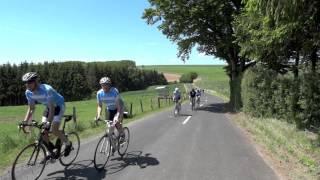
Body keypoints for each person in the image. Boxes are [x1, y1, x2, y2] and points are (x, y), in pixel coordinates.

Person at [22, 72, 72, 158]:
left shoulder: (47, 90)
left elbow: (52, 109)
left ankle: (68, 143)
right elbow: (31, 108)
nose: (27, 85)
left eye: (30, 82)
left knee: (54, 129)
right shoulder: (28, 93)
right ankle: (51, 150)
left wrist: (48, 123)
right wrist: (25, 121)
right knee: (43, 131)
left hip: (58, 106)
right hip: (48, 107)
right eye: (26, 83)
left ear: (36, 82)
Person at [95, 77, 125, 144]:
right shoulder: (99, 93)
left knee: (117, 123)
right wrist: (99, 115)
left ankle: (122, 135)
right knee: (109, 126)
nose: (105, 86)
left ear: (109, 85)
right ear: (101, 85)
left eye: (106, 84)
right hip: (110, 108)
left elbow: (118, 106)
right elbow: (99, 106)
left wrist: (117, 116)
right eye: (103, 85)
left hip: (119, 107)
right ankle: (113, 142)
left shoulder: (114, 91)